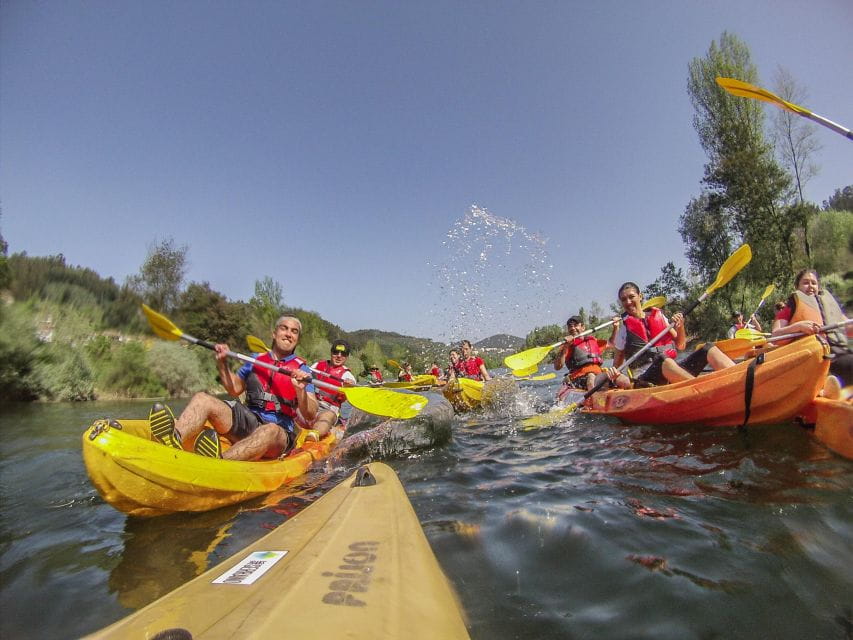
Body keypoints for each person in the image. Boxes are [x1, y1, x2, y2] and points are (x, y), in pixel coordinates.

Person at [148, 316, 318, 460]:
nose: (288, 334)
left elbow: (311, 413)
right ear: (274, 334)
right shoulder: (254, 360)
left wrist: (300, 390)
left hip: (279, 435)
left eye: (294, 331)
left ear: (297, 339)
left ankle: (221, 462)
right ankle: (173, 440)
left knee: (270, 430)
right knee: (202, 399)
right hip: (249, 420)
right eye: (284, 328)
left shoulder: (302, 370)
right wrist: (222, 363)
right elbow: (234, 389)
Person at [599, 282, 735, 389]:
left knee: (708, 348)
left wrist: (680, 326)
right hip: (646, 378)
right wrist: (616, 376)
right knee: (663, 359)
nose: (628, 302)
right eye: (623, 299)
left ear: (640, 296)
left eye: (631, 297)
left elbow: (681, 345)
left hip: (672, 370)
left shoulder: (659, 316)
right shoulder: (624, 329)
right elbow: (617, 365)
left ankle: (739, 378)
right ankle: (702, 391)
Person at [771, 268, 852, 386]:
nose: (810, 286)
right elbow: (775, 335)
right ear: (797, 286)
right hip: (816, 359)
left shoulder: (830, 307)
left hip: (840, 353)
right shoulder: (789, 308)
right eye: (805, 282)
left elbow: (848, 327)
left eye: (814, 283)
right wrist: (798, 326)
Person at [307, 340, 357, 437]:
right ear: (331, 352)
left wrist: (349, 388)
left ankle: (313, 436)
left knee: (327, 416)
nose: (339, 356)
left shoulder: (348, 376)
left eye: (343, 354)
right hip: (311, 402)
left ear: (346, 357)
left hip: (328, 408)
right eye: (335, 352)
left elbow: (350, 396)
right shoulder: (316, 366)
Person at [554, 315, 604, 391]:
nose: (573, 328)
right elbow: (557, 367)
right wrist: (565, 347)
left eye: (576, 325)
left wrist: (615, 328)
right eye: (570, 326)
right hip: (578, 378)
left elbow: (612, 343)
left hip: (598, 374)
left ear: (583, 327)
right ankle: (596, 399)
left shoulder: (592, 341)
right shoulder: (566, 346)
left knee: (621, 378)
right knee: (591, 377)